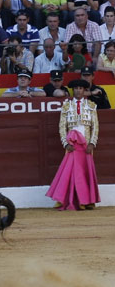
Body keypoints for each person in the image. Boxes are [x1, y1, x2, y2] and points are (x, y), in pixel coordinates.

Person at [46, 79, 100, 211]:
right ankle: (64, 199)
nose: (78, 90)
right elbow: (61, 127)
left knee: (83, 173)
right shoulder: (66, 107)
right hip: (72, 145)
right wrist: (65, 144)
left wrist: (92, 143)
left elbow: (95, 127)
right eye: (76, 88)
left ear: (84, 90)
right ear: (73, 90)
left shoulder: (91, 106)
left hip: (86, 145)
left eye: (81, 88)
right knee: (71, 173)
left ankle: (87, 200)